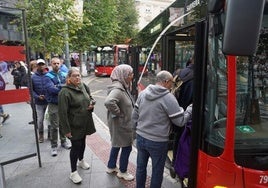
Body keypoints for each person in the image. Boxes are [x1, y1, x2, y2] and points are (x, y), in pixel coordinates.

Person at [132, 70, 192, 188]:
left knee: (140, 167)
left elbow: (134, 116)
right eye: (172, 82)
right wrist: (190, 109)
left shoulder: (143, 93)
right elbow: (180, 121)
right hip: (157, 141)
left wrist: (136, 131)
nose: (172, 85)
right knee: (157, 171)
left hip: (141, 137)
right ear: (166, 82)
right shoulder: (168, 98)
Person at [58, 67, 96, 184]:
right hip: (73, 125)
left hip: (84, 122)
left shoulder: (83, 86)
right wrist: (66, 130)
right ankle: (73, 172)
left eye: (79, 75)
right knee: (75, 146)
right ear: (69, 78)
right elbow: (62, 113)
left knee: (83, 143)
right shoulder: (64, 92)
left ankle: (81, 160)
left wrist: (91, 104)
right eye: (74, 75)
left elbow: (90, 98)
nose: (78, 77)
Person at [104, 64, 135, 181]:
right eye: (130, 74)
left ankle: (111, 166)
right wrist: (119, 113)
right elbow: (108, 102)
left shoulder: (121, 86)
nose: (132, 76)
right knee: (127, 147)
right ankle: (123, 171)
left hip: (119, 124)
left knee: (116, 144)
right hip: (122, 124)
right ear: (124, 75)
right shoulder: (118, 89)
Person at [169, 57, 194, 178]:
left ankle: (175, 164)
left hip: (177, 111)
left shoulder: (179, 72)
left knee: (178, 138)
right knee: (187, 142)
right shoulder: (199, 75)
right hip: (190, 114)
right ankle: (184, 167)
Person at [46, 57, 71, 156]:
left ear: (60, 64)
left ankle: (63, 141)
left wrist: (58, 86)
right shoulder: (48, 76)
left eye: (58, 63)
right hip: (53, 104)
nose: (56, 65)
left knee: (63, 124)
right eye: (54, 63)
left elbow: (68, 86)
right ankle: (54, 146)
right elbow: (51, 89)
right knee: (54, 126)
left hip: (63, 103)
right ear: (51, 64)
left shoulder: (64, 74)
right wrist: (62, 87)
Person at [31, 59, 50, 143]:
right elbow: (31, 90)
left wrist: (47, 96)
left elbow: (52, 87)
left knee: (49, 119)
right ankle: (41, 135)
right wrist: (37, 96)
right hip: (38, 102)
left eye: (43, 64)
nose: (41, 66)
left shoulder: (49, 75)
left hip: (48, 101)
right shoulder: (33, 77)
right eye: (39, 64)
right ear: (37, 66)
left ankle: (50, 134)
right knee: (40, 120)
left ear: (45, 65)